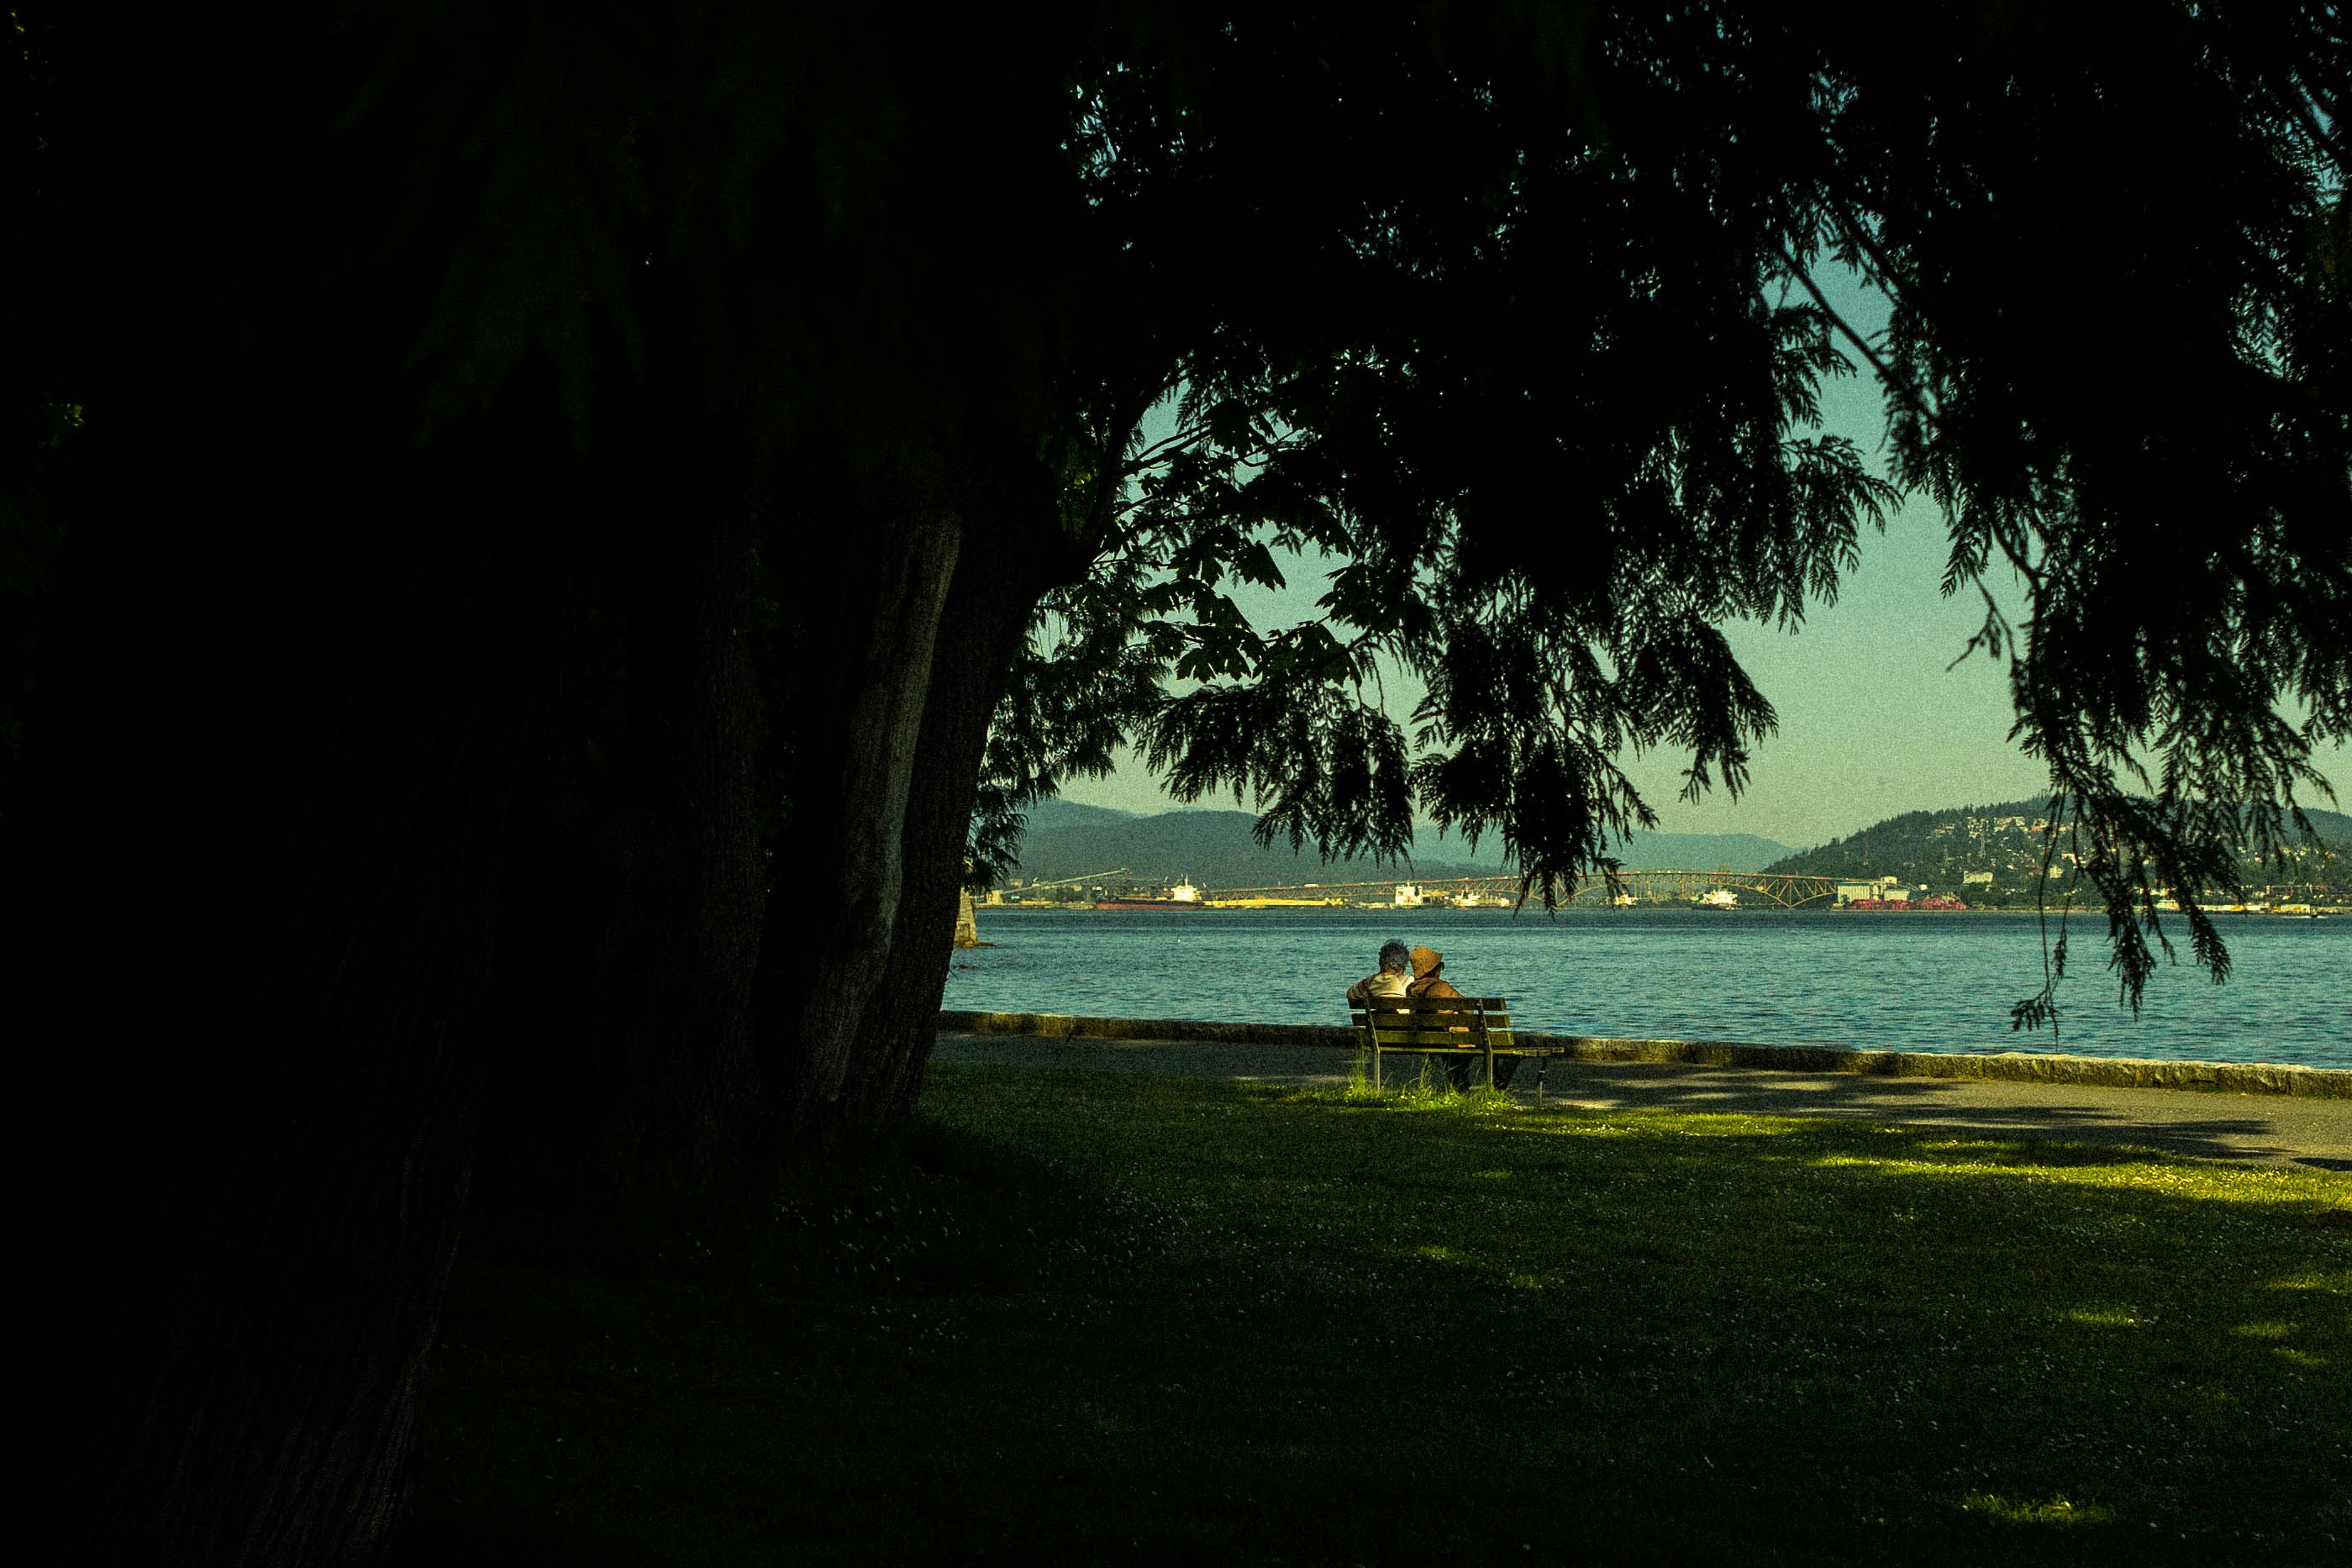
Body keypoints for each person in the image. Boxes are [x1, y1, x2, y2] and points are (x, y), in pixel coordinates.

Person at [1408, 945, 1518, 1090]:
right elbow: (1469, 1009)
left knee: (1458, 1052)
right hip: (1454, 1039)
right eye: (1441, 966)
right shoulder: (1442, 989)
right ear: (1435, 969)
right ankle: (1497, 1083)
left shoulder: (1411, 989)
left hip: (1428, 1039)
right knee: (1506, 1046)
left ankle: (1458, 1082)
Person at [1347, 939, 1413, 1002]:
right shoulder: (1411, 981)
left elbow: (1350, 994)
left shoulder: (1372, 981)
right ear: (1404, 964)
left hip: (1375, 1014)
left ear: (1381, 962)